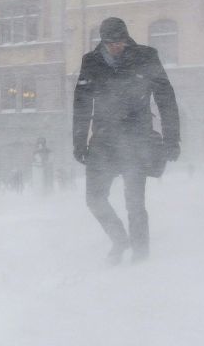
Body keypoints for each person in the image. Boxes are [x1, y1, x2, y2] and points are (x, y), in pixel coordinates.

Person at [73, 17, 180, 264]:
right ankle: (120, 239)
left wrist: (172, 139)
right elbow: (81, 104)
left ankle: (141, 256)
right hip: (103, 142)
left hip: (136, 141)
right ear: (103, 41)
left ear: (126, 38)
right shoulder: (91, 62)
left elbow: (166, 99)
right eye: (110, 43)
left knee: (135, 203)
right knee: (94, 198)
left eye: (120, 42)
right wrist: (79, 143)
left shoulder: (146, 57)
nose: (116, 47)